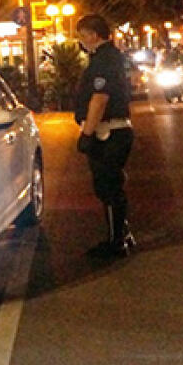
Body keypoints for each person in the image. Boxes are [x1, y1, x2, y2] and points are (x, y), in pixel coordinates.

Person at [74, 14, 137, 258]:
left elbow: (99, 99)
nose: (81, 41)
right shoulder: (109, 58)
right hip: (112, 130)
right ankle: (121, 233)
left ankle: (116, 243)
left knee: (108, 187)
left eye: (83, 35)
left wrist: (87, 134)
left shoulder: (104, 60)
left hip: (108, 132)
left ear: (93, 34)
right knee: (110, 186)